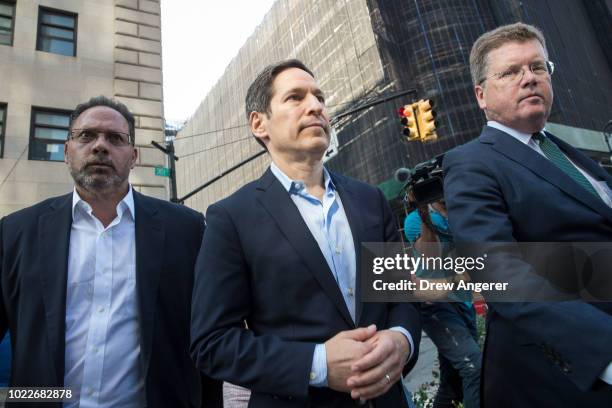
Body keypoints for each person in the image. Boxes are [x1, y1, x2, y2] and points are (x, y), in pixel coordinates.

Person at [191, 59, 421, 407]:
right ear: (259, 124)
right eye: (295, 98)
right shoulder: (231, 218)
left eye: (319, 97)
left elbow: (401, 296)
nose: (315, 106)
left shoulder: (369, 200)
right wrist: (318, 364)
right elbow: (213, 343)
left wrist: (402, 341)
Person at [0, 96, 221, 407]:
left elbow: (209, 340)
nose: (100, 146)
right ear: (66, 151)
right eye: (86, 136)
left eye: (115, 138)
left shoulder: (187, 230)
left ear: (133, 157)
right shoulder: (16, 233)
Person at [443, 22, 612, 407]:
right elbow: (500, 272)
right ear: (481, 95)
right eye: (511, 72)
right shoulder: (471, 163)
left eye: (538, 68)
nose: (529, 79)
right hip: (565, 377)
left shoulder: (570, 154)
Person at [404, 198, 481, 408]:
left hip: (464, 303)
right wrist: (423, 211)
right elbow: (430, 256)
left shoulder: (462, 213)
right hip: (436, 305)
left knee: (452, 381)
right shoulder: (415, 219)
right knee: (474, 366)